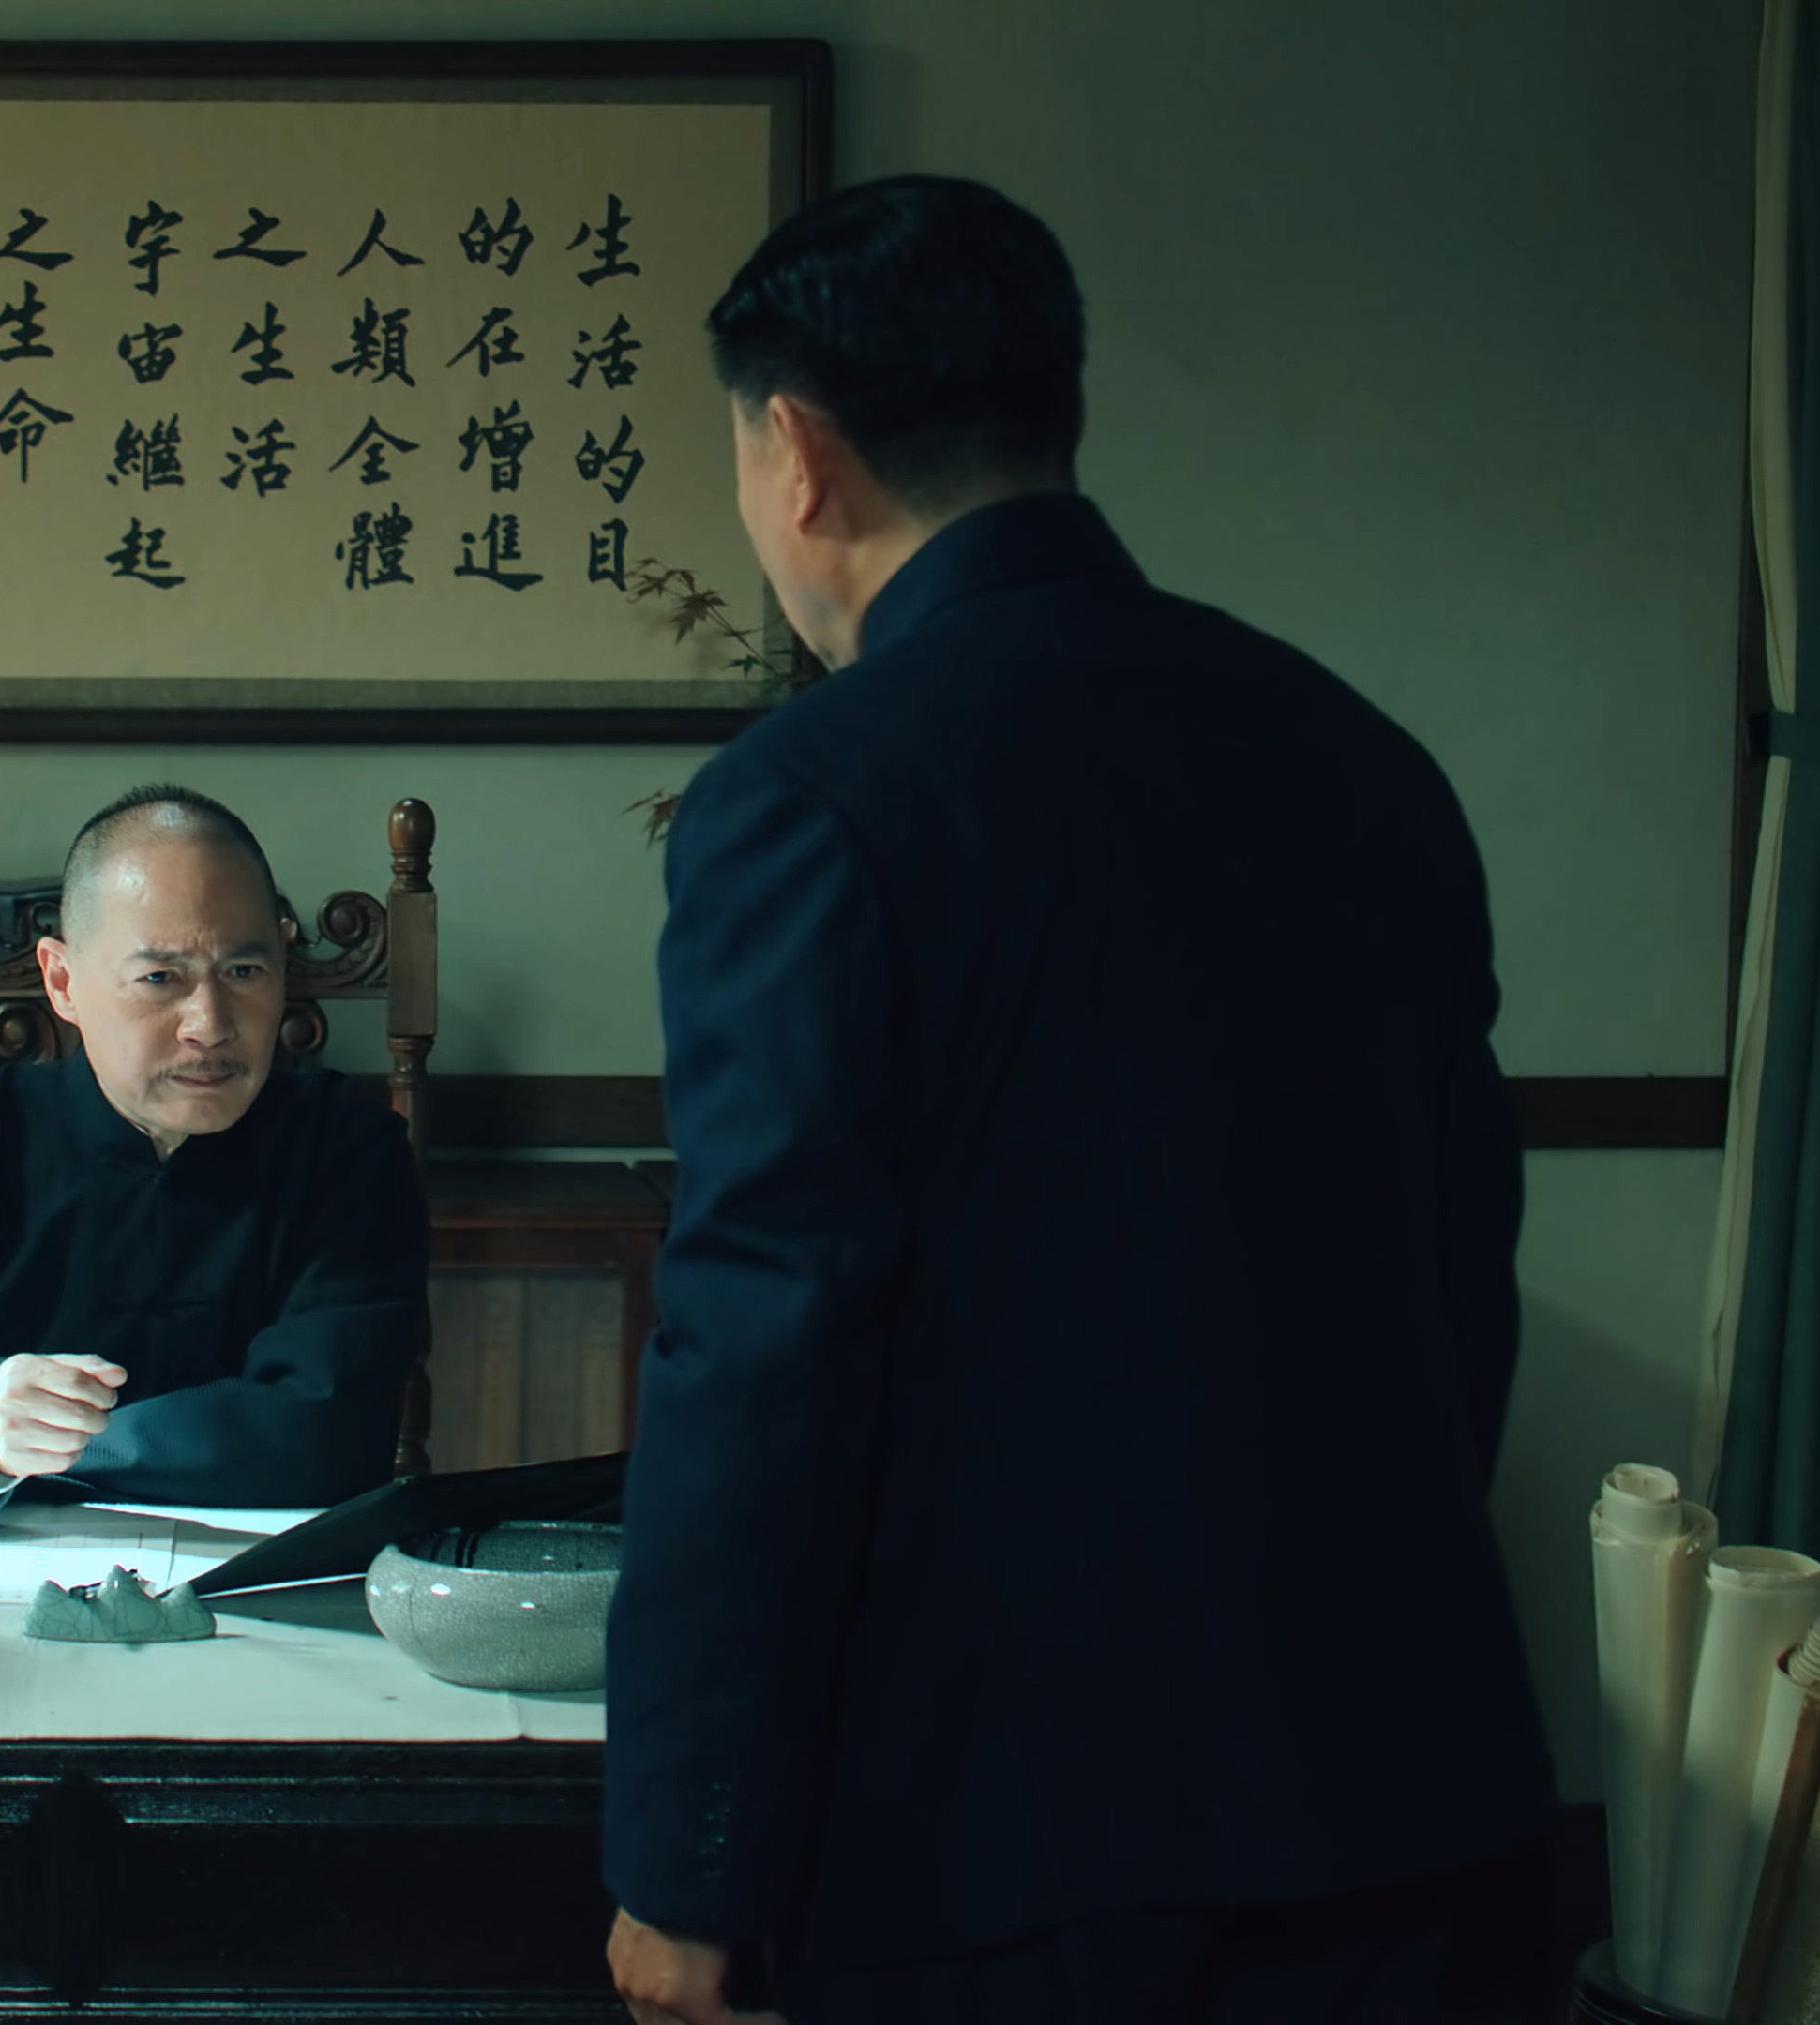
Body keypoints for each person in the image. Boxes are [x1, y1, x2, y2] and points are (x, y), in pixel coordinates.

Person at [602, 176, 1555, 2025]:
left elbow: (766, 1346)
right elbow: (1463, 1284)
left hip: (1001, 1844)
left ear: (798, 455)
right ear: (1063, 410)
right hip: (1410, 1792)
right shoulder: (1358, 757)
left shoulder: (809, 798)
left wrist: (689, 1856)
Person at [0, 786, 428, 1532]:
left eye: (245, 972)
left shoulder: (346, 1151)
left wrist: (39, 1449)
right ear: (62, 981)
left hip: (254, 1581)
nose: (210, 1024)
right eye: (160, 978)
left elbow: (327, 1436)